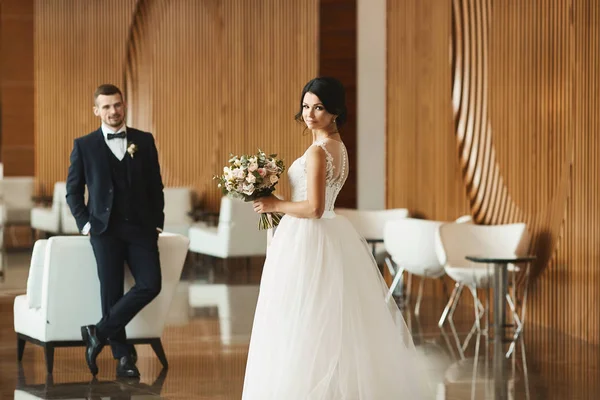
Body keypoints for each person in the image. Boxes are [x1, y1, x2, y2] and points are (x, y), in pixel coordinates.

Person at [242, 77, 431, 399]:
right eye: (306, 106)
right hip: (329, 235)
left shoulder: (318, 151)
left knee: (303, 318)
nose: (310, 114)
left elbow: (314, 208)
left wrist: (275, 204)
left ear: (335, 112)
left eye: (319, 108)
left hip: (309, 236)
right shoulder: (339, 148)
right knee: (329, 319)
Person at [66, 84, 165, 378]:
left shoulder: (143, 141)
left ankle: (97, 332)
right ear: (96, 110)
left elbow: (155, 186)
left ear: (124, 106)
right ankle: (123, 357)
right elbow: (73, 192)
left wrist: (157, 222)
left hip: (141, 229)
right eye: (106, 107)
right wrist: (85, 224)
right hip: (104, 231)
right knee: (110, 292)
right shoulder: (84, 145)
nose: (113, 111)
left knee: (150, 284)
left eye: (117, 105)